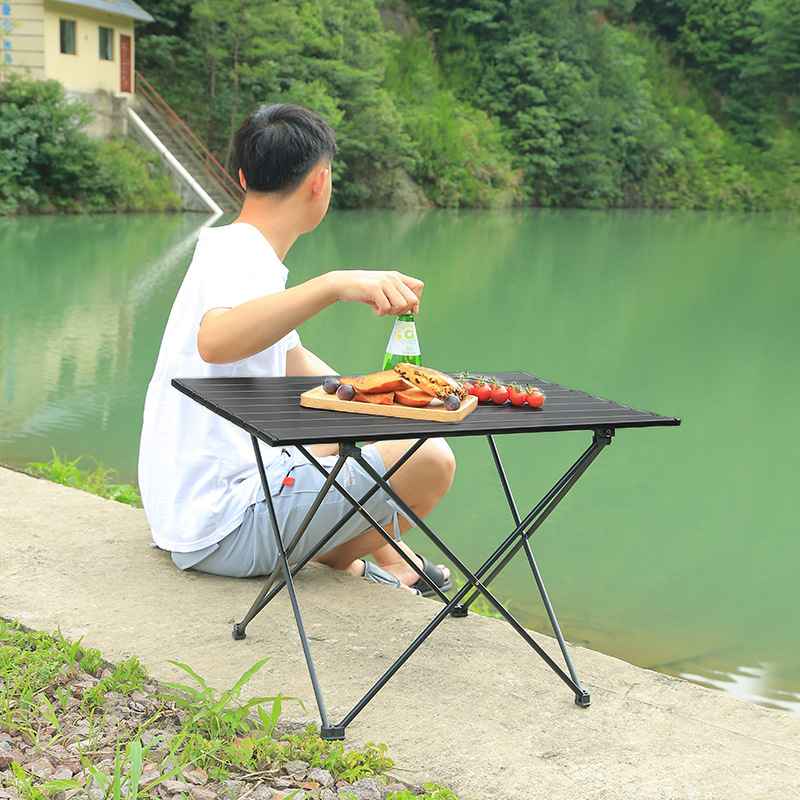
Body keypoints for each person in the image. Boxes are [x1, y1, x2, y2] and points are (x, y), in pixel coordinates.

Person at [138, 103, 454, 596]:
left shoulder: (237, 253)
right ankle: (354, 564)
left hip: (191, 511)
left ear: (243, 176)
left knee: (368, 434)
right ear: (320, 182)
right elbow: (215, 341)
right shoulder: (239, 253)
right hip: (222, 524)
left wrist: (401, 391)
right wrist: (332, 284)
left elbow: (310, 376)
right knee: (431, 458)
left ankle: (392, 563)